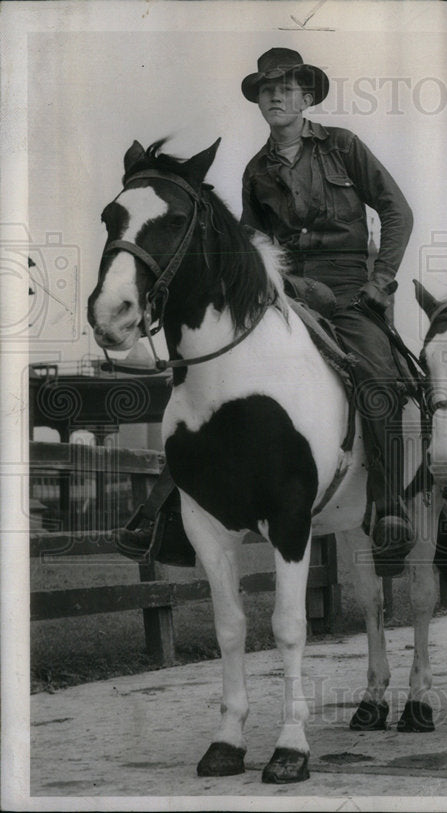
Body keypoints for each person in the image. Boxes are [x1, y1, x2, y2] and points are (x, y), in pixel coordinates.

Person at [115, 48, 416, 575]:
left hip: (350, 291)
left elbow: (397, 210)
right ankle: (163, 514)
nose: (276, 95)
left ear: (306, 97)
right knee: (208, 378)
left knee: (379, 374)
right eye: (266, 89)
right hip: (286, 288)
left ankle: (389, 508)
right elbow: (255, 245)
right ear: (258, 101)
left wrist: (380, 281)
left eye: (287, 87)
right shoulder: (256, 170)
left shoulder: (343, 146)